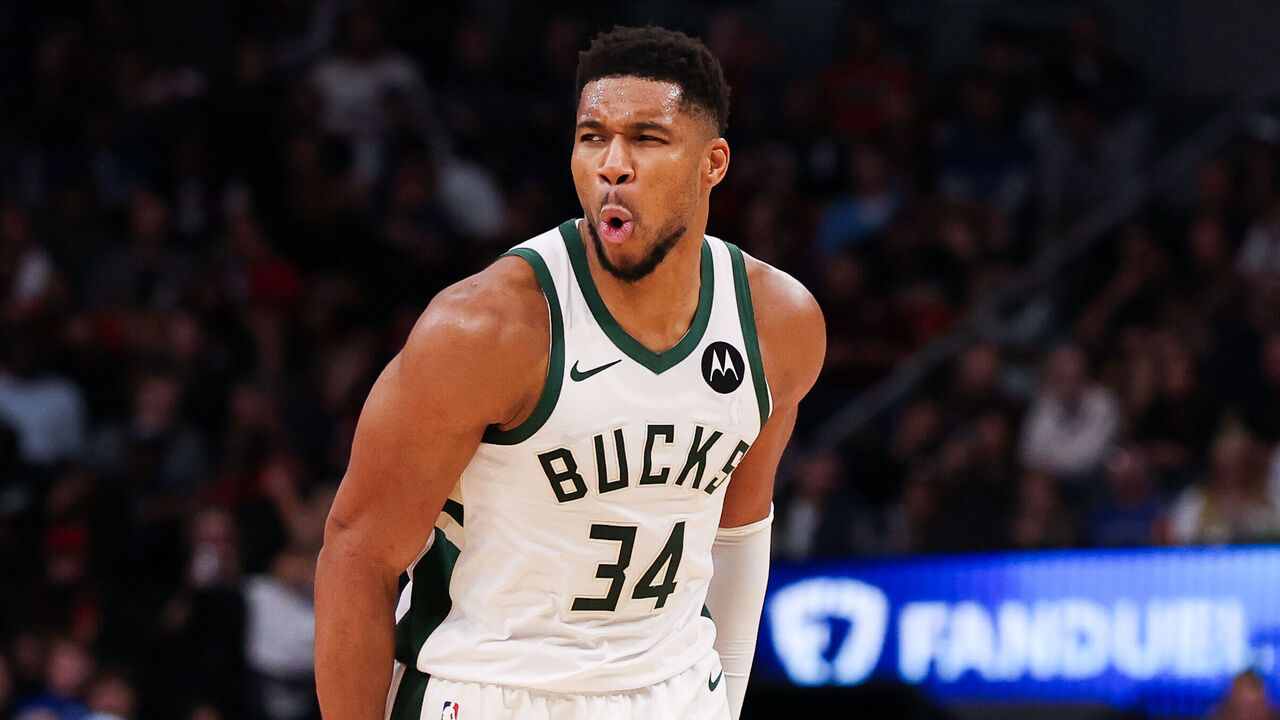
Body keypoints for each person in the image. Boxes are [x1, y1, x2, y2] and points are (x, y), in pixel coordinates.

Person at [314, 25, 825, 720]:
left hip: (673, 692)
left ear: (713, 164)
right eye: (593, 137)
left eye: (647, 138)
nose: (614, 165)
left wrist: (725, 702)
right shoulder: (484, 330)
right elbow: (358, 554)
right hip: (490, 690)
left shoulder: (778, 323)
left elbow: (738, 534)